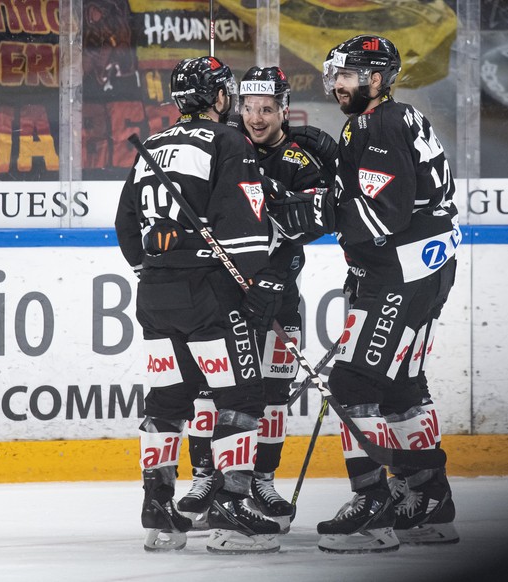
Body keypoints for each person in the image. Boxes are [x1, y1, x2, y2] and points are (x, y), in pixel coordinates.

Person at [114, 55, 298, 554]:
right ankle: (233, 509)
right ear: (220, 99)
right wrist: (255, 284)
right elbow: (243, 218)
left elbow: (127, 226)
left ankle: (160, 510)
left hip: (154, 295)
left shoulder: (152, 144)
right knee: (238, 397)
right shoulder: (227, 140)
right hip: (210, 295)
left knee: (168, 401)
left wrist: (154, 269)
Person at [305, 34, 461, 553]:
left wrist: (319, 210)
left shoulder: (375, 124)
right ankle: (430, 500)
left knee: (352, 383)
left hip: (400, 273)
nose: (337, 85)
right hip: (428, 269)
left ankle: (374, 505)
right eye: (335, 75)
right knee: (400, 386)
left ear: (375, 79)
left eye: (346, 76)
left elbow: (381, 217)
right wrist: (339, 174)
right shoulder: (398, 118)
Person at [175, 65, 331, 533]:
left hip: (278, 297)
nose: (256, 117)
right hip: (225, 298)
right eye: (248, 107)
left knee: (273, 396)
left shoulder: (299, 160)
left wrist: (282, 200)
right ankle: (206, 478)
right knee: (211, 392)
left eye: (267, 108)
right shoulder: (223, 147)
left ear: (285, 109)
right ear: (236, 106)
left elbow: (318, 221)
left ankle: (262, 479)